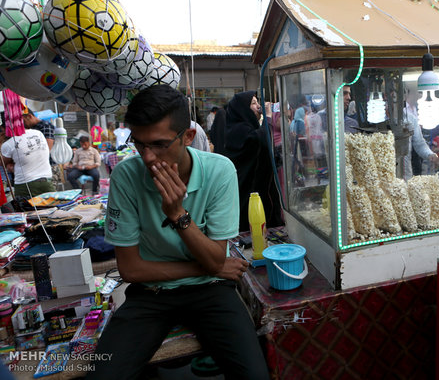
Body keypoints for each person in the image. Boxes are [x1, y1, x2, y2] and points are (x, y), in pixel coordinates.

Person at [88, 85, 268, 380]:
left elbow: (213, 262)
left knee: (254, 374)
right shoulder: (126, 176)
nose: (147, 157)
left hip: (210, 290)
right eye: (140, 144)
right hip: (151, 294)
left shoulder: (219, 171)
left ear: (187, 137)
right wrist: (208, 266)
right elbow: (131, 269)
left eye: (159, 144)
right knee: (103, 375)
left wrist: (177, 215)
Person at [224, 91, 284, 232]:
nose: (258, 106)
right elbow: (261, 140)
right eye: (253, 103)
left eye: (258, 102)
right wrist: (268, 117)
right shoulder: (238, 129)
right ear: (242, 108)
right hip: (247, 191)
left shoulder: (250, 127)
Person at [1, 128, 55, 198]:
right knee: (51, 208)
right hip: (47, 181)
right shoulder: (38, 133)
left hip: (25, 185)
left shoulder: (8, 144)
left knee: (28, 209)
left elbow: (2, 162)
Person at [403, 84, 439, 179]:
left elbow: (419, 143)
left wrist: (430, 154)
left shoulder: (411, 118)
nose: (420, 95)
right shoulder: (378, 117)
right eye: (418, 92)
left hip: (405, 174)